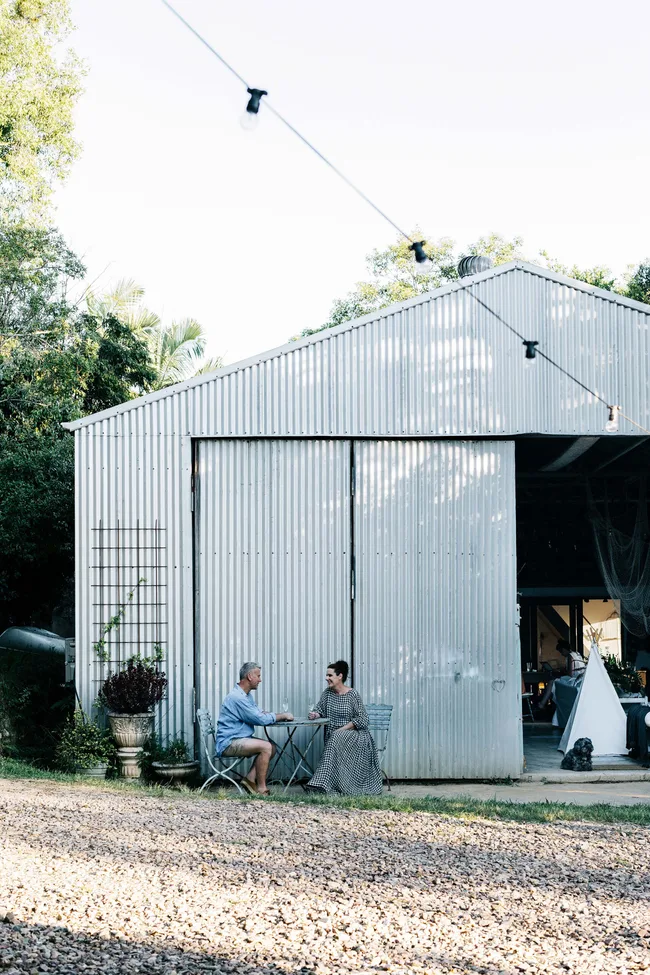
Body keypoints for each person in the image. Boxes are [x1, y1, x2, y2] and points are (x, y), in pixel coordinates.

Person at [215, 661, 293, 795]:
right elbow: (260, 719)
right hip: (228, 743)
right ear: (250, 676)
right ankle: (262, 789)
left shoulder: (245, 696)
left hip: (239, 738)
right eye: (258, 676)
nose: (260, 680)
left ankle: (250, 779)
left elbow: (259, 713)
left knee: (272, 747)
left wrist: (268, 715)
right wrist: (283, 715)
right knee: (266, 747)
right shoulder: (237, 698)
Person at [306, 660, 382, 795]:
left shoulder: (352, 694)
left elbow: (363, 719)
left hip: (356, 735)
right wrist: (315, 714)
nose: (326, 678)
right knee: (335, 737)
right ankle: (325, 784)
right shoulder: (327, 693)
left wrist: (341, 730)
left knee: (335, 736)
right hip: (336, 737)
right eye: (326, 675)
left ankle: (318, 783)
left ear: (340, 676)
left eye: (330, 675)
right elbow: (320, 709)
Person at [538, 640, 586, 710]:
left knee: (551, 682)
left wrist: (560, 672)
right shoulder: (577, 654)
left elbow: (570, 674)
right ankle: (544, 704)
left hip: (573, 680)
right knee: (554, 681)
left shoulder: (570, 656)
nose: (561, 654)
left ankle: (542, 704)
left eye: (561, 652)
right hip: (580, 679)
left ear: (563, 649)